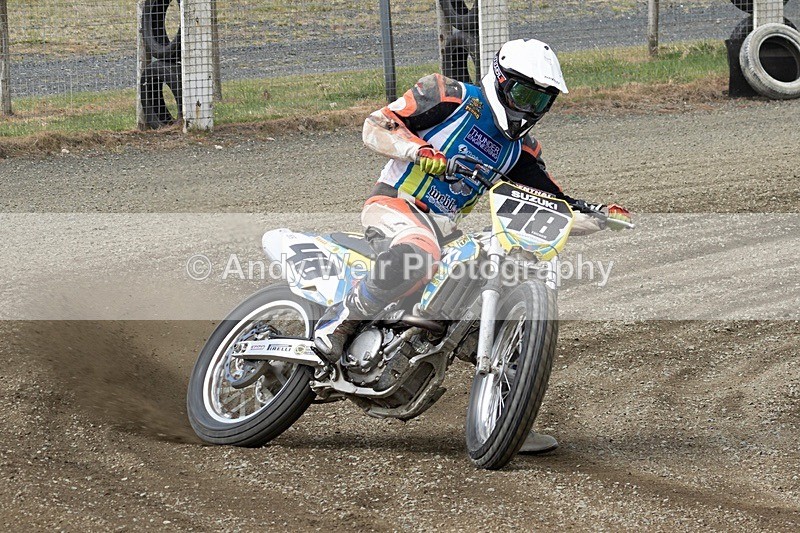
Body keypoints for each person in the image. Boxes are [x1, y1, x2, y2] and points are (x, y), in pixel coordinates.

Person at [314, 39, 631, 451]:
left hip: (445, 232)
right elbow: (376, 123)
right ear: (501, 81)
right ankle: (340, 321)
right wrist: (419, 150)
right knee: (419, 250)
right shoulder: (449, 95)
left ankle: (512, 412)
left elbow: (554, 202)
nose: (529, 107)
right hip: (396, 205)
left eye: (541, 100)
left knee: (490, 289)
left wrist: (600, 215)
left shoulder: (521, 149)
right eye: (523, 94)